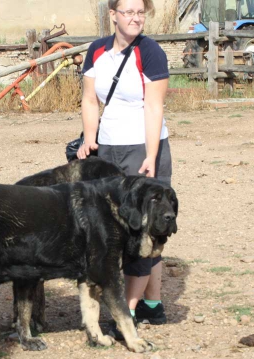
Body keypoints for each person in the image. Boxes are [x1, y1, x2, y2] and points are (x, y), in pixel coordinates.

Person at [77, 0, 171, 329]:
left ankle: (127, 313)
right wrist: (90, 138)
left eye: (140, 13)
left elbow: (153, 107)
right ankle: (153, 304)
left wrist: (150, 155)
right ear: (113, 15)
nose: (135, 18)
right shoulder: (97, 51)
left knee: (145, 229)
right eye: (128, 12)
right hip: (107, 150)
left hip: (141, 147)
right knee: (112, 229)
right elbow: (90, 98)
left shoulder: (152, 52)